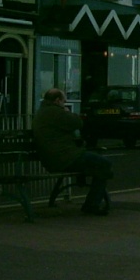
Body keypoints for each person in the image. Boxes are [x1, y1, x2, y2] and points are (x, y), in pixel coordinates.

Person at [32, 88, 112, 216]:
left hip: (55, 157)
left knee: (97, 164)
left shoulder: (43, 112)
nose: (65, 104)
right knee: (105, 164)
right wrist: (68, 111)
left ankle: (90, 199)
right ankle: (92, 204)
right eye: (64, 101)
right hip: (64, 158)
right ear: (57, 100)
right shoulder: (55, 112)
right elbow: (77, 123)